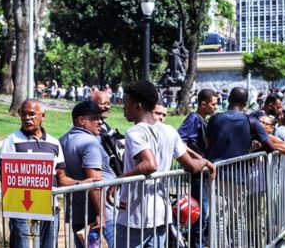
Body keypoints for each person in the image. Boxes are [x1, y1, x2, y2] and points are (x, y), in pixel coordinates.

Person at [116, 80, 216, 248]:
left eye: (126, 103)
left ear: (138, 106)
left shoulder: (134, 132)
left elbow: (150, 164)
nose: (123, 107)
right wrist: (204, 161)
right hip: (160, 213)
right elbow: (191, 166)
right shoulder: (170, 131)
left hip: (134, 215)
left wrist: (118, 180)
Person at [2, 99, 91, 248]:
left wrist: (81, 183)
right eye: (23, 114)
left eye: (31, 114)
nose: (27, 118)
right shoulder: (11, 140)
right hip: (21, 211)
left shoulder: (54, 143)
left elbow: (61, 178)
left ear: (43, 116)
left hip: (50, 207)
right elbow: (6, 178)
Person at [60, 101, 116, 248]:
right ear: (82, 120)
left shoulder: (62, 140)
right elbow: (95, 183)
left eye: (101, 118)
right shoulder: (89, 143)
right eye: (95, 118)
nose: (100, 122)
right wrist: (101, 214)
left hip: (78, 212)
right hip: (100, 213)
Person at [176, 89, 219, 248]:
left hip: (203, 173)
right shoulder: (194, 118)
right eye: (213, 104)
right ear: (203, 104)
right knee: (201, 215)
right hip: (197, 174)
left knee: (204, 215)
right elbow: (179, 141)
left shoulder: (204, 120)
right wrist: (200, 159)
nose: (215, 107)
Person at [207, 87, 285, 163]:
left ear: (229, 99)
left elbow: (208, 144)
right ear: (245, 104)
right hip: (240, 175)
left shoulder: (214, 118)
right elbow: (271, 147)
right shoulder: (252, 121)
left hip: (216, 175)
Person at [90, 90, 125, 177]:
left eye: (109, 104)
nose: (108, 107)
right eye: (104, 103)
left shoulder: (106, 127)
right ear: (91, 105)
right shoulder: (87, 129)